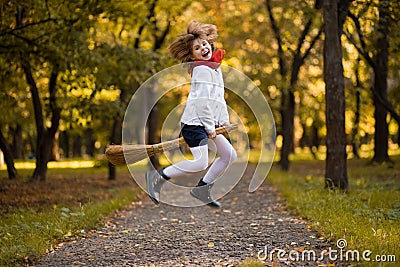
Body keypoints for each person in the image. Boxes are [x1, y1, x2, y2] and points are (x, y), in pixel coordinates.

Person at [145, 20, 237, 208]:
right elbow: (203, 103)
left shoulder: (214, 67)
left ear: (209, 43)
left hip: (208, 123)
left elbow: (218, 98)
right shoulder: (202, 70)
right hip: (195, 123)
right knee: (200, 162)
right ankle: (158, 176)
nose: (202, 48)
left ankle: (202, 189)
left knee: (229, 155)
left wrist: (223, 121)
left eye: (204, 44)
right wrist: (210, 127)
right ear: (192, 54)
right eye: (197, 48)